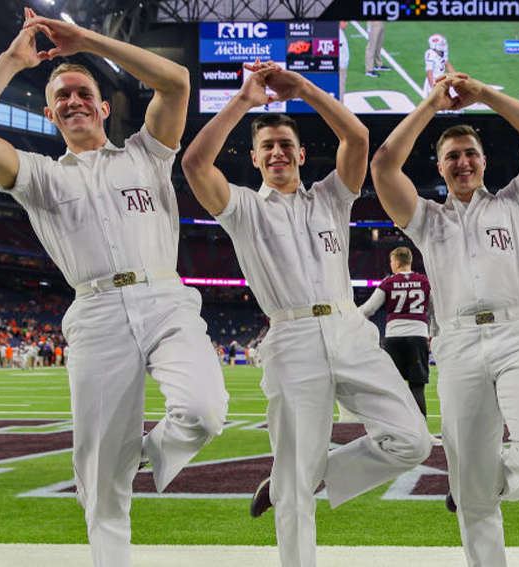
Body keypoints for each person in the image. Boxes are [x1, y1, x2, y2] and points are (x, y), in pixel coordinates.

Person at [0, 9, 229, 567]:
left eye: (82, 91)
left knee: (205, 410)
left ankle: (138, 456)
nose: (72, 100)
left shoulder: (148, 152)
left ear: (102, 105)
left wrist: (87, 41)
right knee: (100, 483)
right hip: (95, 313)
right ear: (50, 114)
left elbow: (177, 82)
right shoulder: (40, 175)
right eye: (61, 96)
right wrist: (13, 61)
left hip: (165, 299)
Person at [181, 61, 430, 567]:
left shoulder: (331, 198)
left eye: (286, 145)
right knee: (295, 494)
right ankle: (294, 488)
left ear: (300, 153)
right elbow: (194, 166)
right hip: (291, 336)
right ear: (254, 157)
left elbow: (358, 137)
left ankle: (310, 474)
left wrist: (303, 89)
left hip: (349, 329)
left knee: (414, 441)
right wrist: (244, 101)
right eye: (267, 146)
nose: (277, 152)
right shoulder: (244, 208)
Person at [371, 73, 519, 567]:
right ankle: (476, 496)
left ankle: (485, 481)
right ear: (439, 167)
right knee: (475, 507)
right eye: (452, 156)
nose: (462, 162)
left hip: (517, 333)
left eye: (470, 154)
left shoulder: (517, 203)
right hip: (456, 344)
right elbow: (383, 164)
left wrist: (484, 94)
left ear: (484, 162)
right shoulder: (425, 219)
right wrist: (430, 105)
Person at [358, 246, 435, 420]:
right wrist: (432, 333)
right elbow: (434, 310)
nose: (390, 264)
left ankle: (396, 430)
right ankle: (422, 432)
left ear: (398, 263)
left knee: (394, 388)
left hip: (394, 337)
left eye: (391, 261)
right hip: (418, 335)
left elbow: (369, 309)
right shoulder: (424, 281)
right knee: (417, 387)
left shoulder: (388, 282)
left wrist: (350, 318)